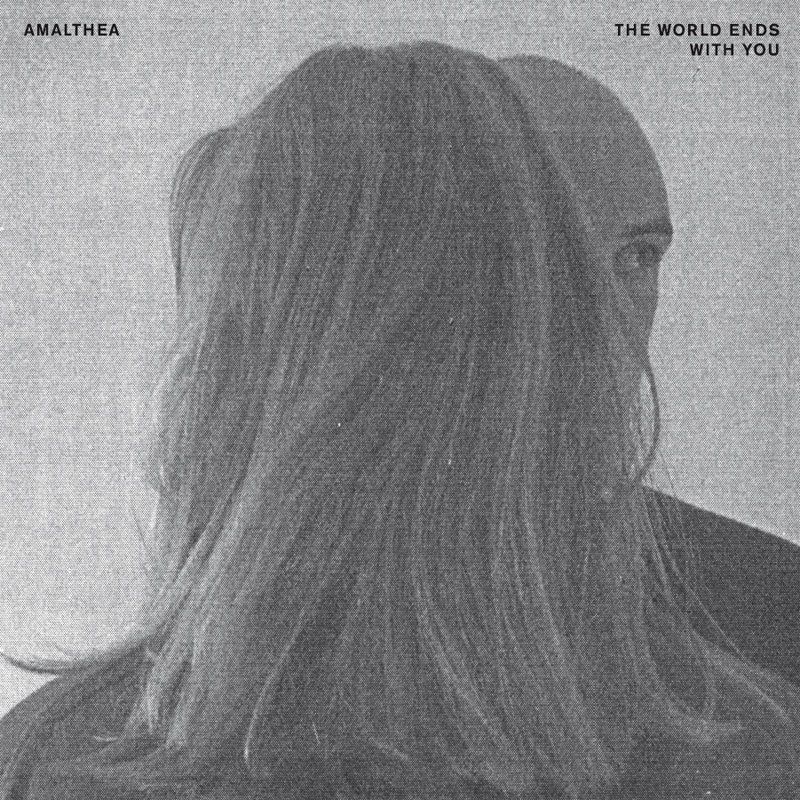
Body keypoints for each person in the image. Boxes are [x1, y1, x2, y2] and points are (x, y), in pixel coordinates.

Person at [1, 42, 798, 800]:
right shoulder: (733, 735)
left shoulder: (757, 648)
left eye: (636, 258)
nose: (590, 321)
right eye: (542, 264)